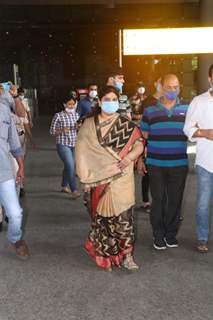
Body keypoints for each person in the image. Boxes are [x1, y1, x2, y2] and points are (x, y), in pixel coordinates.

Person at [76, 86, 144, 271]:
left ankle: (127, 256)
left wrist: (130, 157)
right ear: (99, 102)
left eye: (114, 99)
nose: (111, 103)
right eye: (107, 99)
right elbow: (81, 155)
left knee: (124, 219)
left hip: (122, 177)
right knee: (103, 220)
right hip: (98, 180)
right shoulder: (88, 125)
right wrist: (86, 180)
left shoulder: (126, 123)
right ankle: (106, 255)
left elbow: (139, 144)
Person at [141, 74, 188, 250]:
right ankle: (158, 234)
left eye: (176, 87)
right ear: (161, 87)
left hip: (179, 164)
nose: (173, 90)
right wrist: (140, 159)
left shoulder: (187, 108)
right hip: (156, 164)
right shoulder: (150, 111)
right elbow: (143, 136)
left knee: (175, 200)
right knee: (158, 200)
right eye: (169, 87)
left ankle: (170, 234)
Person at [184, 63, 213, 253]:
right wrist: (204, 132)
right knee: (203, 204)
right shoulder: (199, 101)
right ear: (210, 78)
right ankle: (202, 237)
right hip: (206, 162)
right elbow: (187, 128)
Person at [0, 88, 30, 259]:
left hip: (4, 172)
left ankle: (15, 238)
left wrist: (21, 167)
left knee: (15, 213)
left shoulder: (4, 110)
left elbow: (14, 142)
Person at [50, 94, 80, 199]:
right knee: (71, 166)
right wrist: (62, 130)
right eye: (69, 104)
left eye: (73, 104)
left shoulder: (76, 115)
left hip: (74, 144)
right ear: (64, 104)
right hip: (62, 144)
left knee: (69, 166)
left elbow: (80, 130)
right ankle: (74, 190)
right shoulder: (58, 116)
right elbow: (52, 132)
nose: (71, 106)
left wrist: (78, 127)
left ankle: (64, 185)